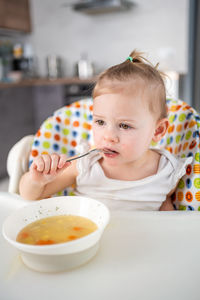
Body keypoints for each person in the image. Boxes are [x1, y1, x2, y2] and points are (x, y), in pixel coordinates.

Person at [19, 50, 192, 211]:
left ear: (158, 130)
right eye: (100, 122)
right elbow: (30, 196)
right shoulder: (85, 165)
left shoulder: (166, 171)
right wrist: (36, 180)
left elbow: (168, 219)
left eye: (125, 125)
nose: (108, 137)